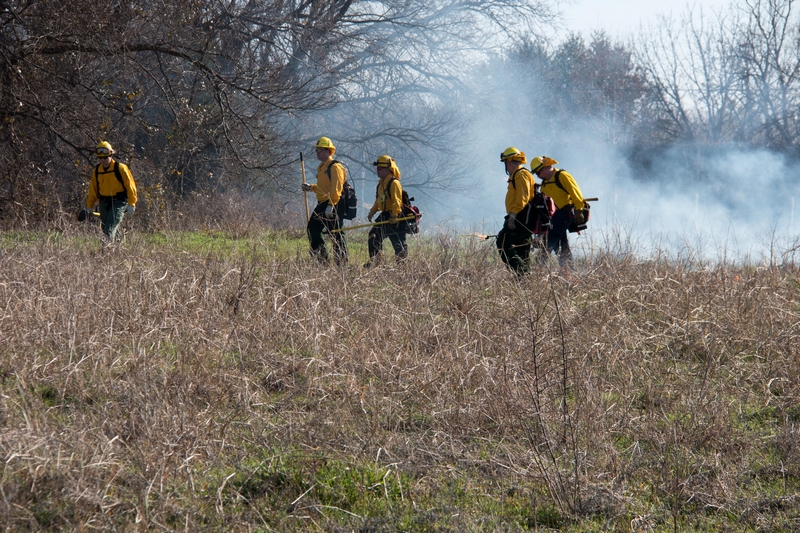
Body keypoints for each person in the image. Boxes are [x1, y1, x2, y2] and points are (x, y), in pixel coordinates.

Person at [531, 156, 585, 270]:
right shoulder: (545, 183)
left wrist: (579, 210)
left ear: (545, 168)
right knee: (561, 243)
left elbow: (576, 193)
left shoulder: (562, 176)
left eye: (538, 172)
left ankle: (539, 267)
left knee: (550, 239)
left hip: (565, 212)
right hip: (553, 216)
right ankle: (569, 270)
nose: (537, 176)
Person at [301, 136, 348, 265]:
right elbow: (323, 188)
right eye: (317, 150)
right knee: (313, 229)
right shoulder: (322, 167)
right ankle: (322, 260)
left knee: (336, 233)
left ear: (328, 151)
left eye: (320, 150)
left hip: (333, 205)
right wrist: (311, 187)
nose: (317, 153)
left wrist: (331, 205)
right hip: (323, 204)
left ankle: (341, 264)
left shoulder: (335, 167)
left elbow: (336, 188)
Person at [82, 141, 137, 243]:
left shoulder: (121, 168)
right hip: (104, 203)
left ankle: (105, 250)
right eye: (100, 158)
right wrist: (89, 206)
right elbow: (93, 190)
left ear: (111, 155)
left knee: (109, 228)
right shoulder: (97, 170)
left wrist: (132, 203)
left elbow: (130, 186)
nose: (102, 160)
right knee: (106, 228)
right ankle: (118, 248)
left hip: (119, 203)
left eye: (105, 157)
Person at [496, 147, 535, 275]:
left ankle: (521, 273)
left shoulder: (520, 174)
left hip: (520, 217)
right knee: (521, 248)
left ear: (510, 162)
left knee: (502, 242)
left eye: (506, 163)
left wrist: (513, 215)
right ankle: (524, 280)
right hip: (523, 217)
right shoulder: (520, 174)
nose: (506, 167)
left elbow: (522, 197)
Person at [365, 155, 407, 267]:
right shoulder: (381, 183)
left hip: (396, 216)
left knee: (398, 242)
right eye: (377, 168)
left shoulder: (394, 183)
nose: (377, 170)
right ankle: (376, 262)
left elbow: (397, 201)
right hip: (385, 214)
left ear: (388, 169)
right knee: (373, 235)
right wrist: (373, 211)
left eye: (379, 168)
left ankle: (402, 267)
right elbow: (379, 200)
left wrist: (394, 215)